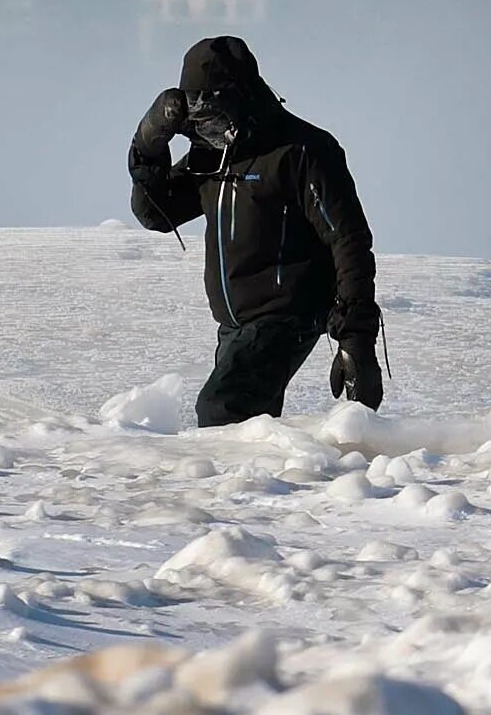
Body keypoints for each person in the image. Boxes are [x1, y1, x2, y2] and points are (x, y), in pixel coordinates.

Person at [128, 35, 384, 428]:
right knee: (246, 432)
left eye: (212, 116)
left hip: (286, 314)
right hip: (235, 325)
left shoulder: (300, 151)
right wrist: (149, 142)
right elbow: (155, 213)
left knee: (222, 411)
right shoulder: (213, 157)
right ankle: (271, 487)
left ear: (240, 99)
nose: (207, 129)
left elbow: (348, 240)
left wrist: (356, 340)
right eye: (196, 120)